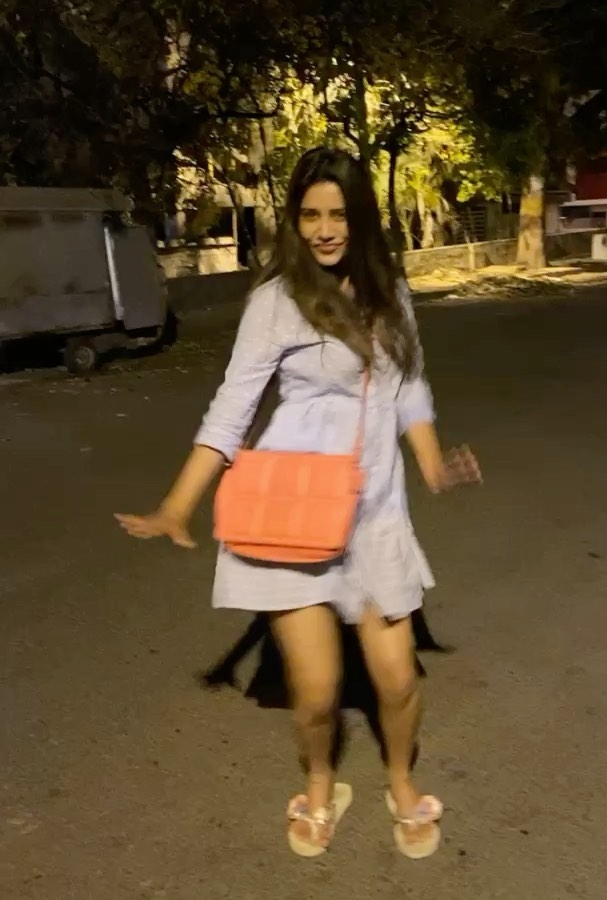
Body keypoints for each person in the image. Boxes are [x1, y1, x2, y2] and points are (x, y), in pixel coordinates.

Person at [116, 147, 480, 859]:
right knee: (315, 694)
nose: (324, 229)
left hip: (373, 511)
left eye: (338, 214)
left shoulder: (389, 291)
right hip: (297, 511)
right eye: (310, 215)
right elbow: (232, 409)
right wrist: (177, 505)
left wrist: (432, 462)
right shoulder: (277, 300)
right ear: (294, 219)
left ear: (361, 217)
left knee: (398, 680)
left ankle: (400, 780)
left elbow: (409, 385)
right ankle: (319, 782)